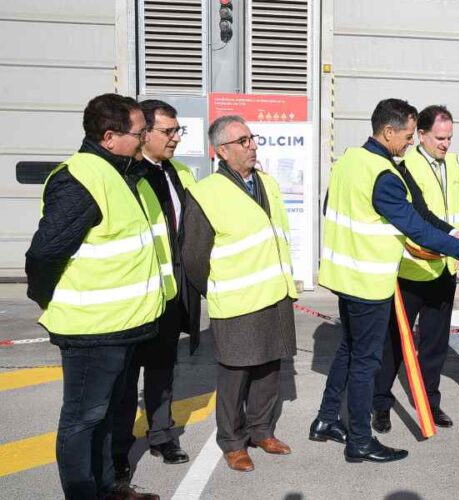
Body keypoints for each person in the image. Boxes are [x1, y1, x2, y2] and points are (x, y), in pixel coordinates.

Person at [311, 98, 459, 463]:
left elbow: (420, 215)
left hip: (344, 276)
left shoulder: (351, 161)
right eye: (409, 136)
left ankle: (326, 419)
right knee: (365, 363)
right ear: (388, 131)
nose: (410, 143)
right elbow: (415, 228)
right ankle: (360, 441)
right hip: (368, 281)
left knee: (348, 350)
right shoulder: (384, 176)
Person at [25, 93, 162, 499]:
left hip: (122, 326)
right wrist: (48, 298)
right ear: (109, 137)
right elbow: (45, 254)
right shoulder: (80, 179)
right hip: (92, 331)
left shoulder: (122, 172)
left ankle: (108, 488)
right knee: (82, 420)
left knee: (104, 418)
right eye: (139, 133)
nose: (144, 140)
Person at [181, 115, 297, 473]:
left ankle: (261, 430)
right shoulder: (205, 194)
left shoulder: (266, 182)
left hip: (274, 293)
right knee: (235, 374)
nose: (252, 146)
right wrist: (215, 287)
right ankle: (232, 442)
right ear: (221, 151)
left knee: (269, 367)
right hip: (236, 300)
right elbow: (194, 257)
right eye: (243, 141)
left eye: (252, 138)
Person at [111, 100, 199, 486]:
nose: (176, 138)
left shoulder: (179, 173)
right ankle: (118, 448)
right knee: (126, 376)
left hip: (170, 292)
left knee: (163, 370)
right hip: (136, 296)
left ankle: (162, 435)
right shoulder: (129, 175)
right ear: (143, 133)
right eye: (169, 131)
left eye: (178, 131)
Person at [371, 105, 459, 433]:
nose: (445, 144)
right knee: (395, 343)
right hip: (411, 270)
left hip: (443, 269)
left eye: (450, 138)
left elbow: (457, 212)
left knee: (435, 343)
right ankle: (381, 404)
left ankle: (429, 402)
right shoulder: (405, 166)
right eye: (440, 138)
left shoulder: (452, 164)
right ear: (422, 135)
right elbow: (419, 218)